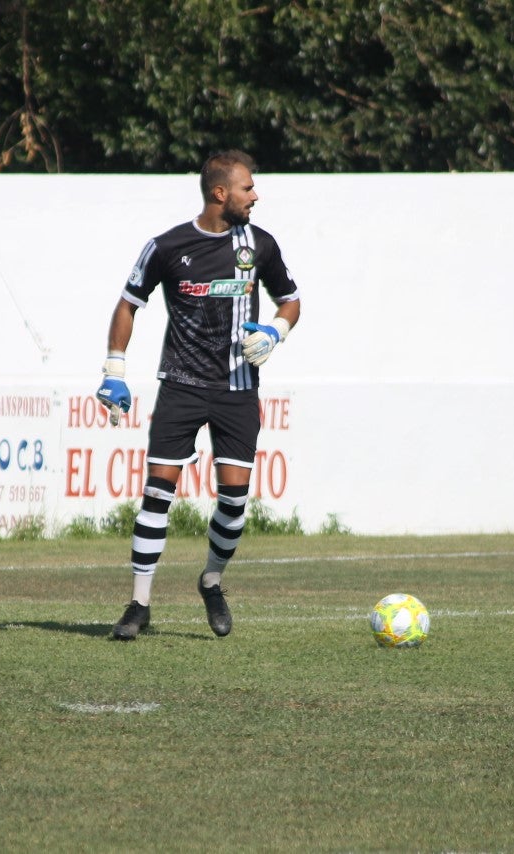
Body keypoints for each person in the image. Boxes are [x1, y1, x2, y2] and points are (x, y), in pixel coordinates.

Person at [96, 150, 301, 640]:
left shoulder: (261, 245)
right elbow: (129, 304)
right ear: (220, 193)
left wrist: (274, 333)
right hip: (182, 388)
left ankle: (211, 581)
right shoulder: (167, 246)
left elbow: (290, 301)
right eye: (248, 188)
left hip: (237, 391)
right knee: (157, 494)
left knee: (233, 501)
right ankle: (138, 606)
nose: (256, 196)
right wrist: (114, 370)